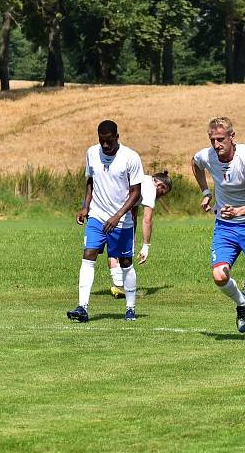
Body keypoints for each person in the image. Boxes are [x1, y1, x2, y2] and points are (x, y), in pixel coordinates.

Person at [192, 117, 245, 340]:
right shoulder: (207, 155)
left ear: (231, 137)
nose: (217, 145)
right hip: (225, 226)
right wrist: (206, 192)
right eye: (213, 140)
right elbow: (195, 162)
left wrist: (240, 211)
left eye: (221, 139)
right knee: (219, 275)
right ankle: (241, 301)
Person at [68, 120, 143, 323]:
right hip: (97, 216)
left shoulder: (130, 157)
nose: (105, 146)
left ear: (117, 137)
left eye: (109, 141)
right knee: (89, 254)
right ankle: (82, 307)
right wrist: (85, 206)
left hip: (121, 220)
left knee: (126, 262)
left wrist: (118, 215)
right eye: (101, 141)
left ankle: (130, 307)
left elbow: (136, 193)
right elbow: (90, 181)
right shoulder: (92, 153)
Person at [108, 171, 173, 298]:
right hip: (116, 208)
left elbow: (133, 214)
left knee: (111, 247)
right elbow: (147, 219)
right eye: (163, 193)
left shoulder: (142, 180)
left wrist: (131, 237)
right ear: (160, 185)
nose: (160, 197)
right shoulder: (150, 188)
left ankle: (118, 285)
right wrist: (146, 246)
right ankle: (119, 286)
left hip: (104, 204)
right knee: (117, 249)